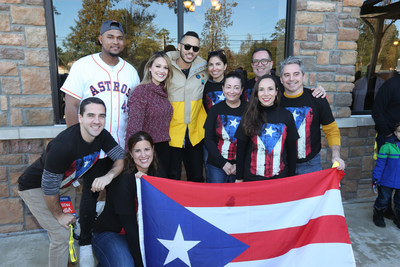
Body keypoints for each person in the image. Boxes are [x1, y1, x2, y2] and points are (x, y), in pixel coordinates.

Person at [60, 20, 140, 265]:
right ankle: (85, 248)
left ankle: (118, 243)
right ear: (100, 38)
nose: (115, 41)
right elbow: (71, 105)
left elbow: (135, 109)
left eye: (119, 37)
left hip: (119, 150)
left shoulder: (131, 71)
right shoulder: (84, 65)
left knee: (122, 198)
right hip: (92, 148)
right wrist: (77, 143)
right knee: (89, 199)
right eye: (110, 36)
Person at [17, 98, 125, 267]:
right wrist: (59, 215)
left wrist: (108, 176)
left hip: (64, 184)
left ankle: (68, 261)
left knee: (71, 227)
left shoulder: (101, 134)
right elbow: (49, 187)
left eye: (101, 116)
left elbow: (120, 157)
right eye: (91, 115)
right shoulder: (63, 146)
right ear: (80, 117)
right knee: (60, 234)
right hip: (36, 187)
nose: (96, 121)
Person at [92, 131, 165, 267]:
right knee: (125, 264)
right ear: (131, 154)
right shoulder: (124, 180)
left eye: (147, 149)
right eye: (137, 151)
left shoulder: (157, 172)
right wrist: (140, 263)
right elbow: (130, 227)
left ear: (153, 149)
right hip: (112, 232)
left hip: (141, 232)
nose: (143, 155)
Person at [279, 56, 345, 174]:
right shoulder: (275, 101)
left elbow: (331, 130)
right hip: (282, 164)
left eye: (296, 74)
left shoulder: (317, 98)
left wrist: (336, 155)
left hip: (310, 165)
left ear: (303, 77)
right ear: (281, 79)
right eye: (286, 75)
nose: (291, 78)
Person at [235, 75, 299, 181]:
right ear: (256, 93)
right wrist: (239, 178)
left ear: (276, 91)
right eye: (261, 90)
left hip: (280, 180)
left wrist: (291, 178)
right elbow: (241, 150)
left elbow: (292, 150)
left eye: (270, 89)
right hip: (252, 180)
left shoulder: (286, 116)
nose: (266, 94)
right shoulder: (248, 115)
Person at [166, 31, 208, 182]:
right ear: (179, 46)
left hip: (195, 134)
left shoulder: (204, 69)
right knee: (172, 178)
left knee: (196, 177)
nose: (191, 51)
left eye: (195, 48)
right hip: (172, 135)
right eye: (187, 46)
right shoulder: (166, 67)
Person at [125, 51, 173, 172]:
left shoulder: (163, 91)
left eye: (165, 67)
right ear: (149, 68)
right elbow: (134, 127)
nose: (162, 71)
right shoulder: (141, 92)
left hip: (165, 148)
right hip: (147, 151)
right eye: (158, 66)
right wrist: (131, 155)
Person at [204, 71, 246, 183]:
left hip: (241, 165)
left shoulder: (249, 110)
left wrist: (240, 165)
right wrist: (223, 163)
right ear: (223, 88)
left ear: (242, 90)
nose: (232, 91)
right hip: (217, 165)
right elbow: (208, 139)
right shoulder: (214, 110)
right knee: (215, 199)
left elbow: (252, 141)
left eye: (236, 87)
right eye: (228, 87)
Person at [243, 48, 326, 102]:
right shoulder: (245, 87)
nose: (260, 64)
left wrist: (318, 92)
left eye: (264, 60)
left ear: (271, 64)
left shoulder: (283, 83)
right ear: (252, 65)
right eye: (256, 61)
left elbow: (298, 91)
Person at [372, 122, 400, 229]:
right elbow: (380, 164)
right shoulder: (386, 147)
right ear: (395, 133)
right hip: (386, 180)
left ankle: (398, 218)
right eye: (399, 131)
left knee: (399, 201)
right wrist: (376, 178)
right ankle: (378, 215)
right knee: (383, 199)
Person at [372, 62, 400, 151]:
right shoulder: (390, 85)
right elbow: (377, 111)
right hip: (389, 138)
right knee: (385, 164)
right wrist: (388, 134)